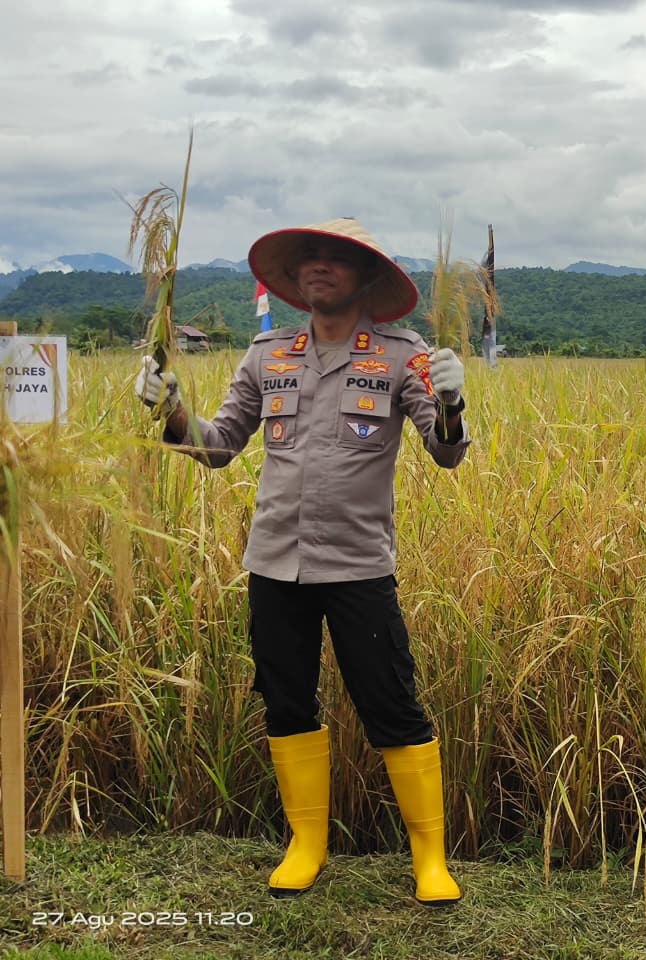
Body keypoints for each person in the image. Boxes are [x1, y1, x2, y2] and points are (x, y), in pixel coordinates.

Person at [134, 217, 470, 905]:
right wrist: (171, 410)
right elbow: (219, 445)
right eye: (310, 257)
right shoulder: (269, 354)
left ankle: (430, 859)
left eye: (337, 258)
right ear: (294, 277)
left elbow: (445, 451)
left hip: (358, 566)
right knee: (287, 700)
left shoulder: (402, 355)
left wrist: (451, 401)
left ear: (366, 277)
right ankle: (306, 844)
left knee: (391, 702)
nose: (320, 266)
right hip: (274, 563)